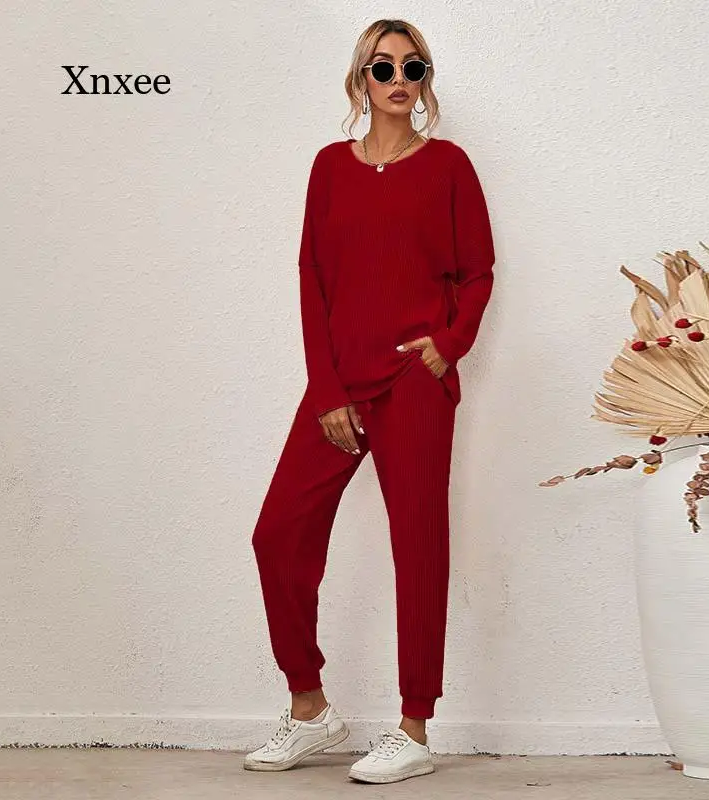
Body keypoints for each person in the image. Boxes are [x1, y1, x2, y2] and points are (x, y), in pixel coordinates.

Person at [245, 18, 495, 784]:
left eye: (413, 68)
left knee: (417, 546)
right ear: (361, 79)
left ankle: (414, 727)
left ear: (425, 82)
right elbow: (312, 277)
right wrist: (326, 389)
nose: (398, 79)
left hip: (415, 383)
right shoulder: (330, 167)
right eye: (383, 67)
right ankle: (311, 709)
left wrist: (446, 346)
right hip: (339, 385)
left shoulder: (448, 166)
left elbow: (479, 271)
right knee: (277, 534)